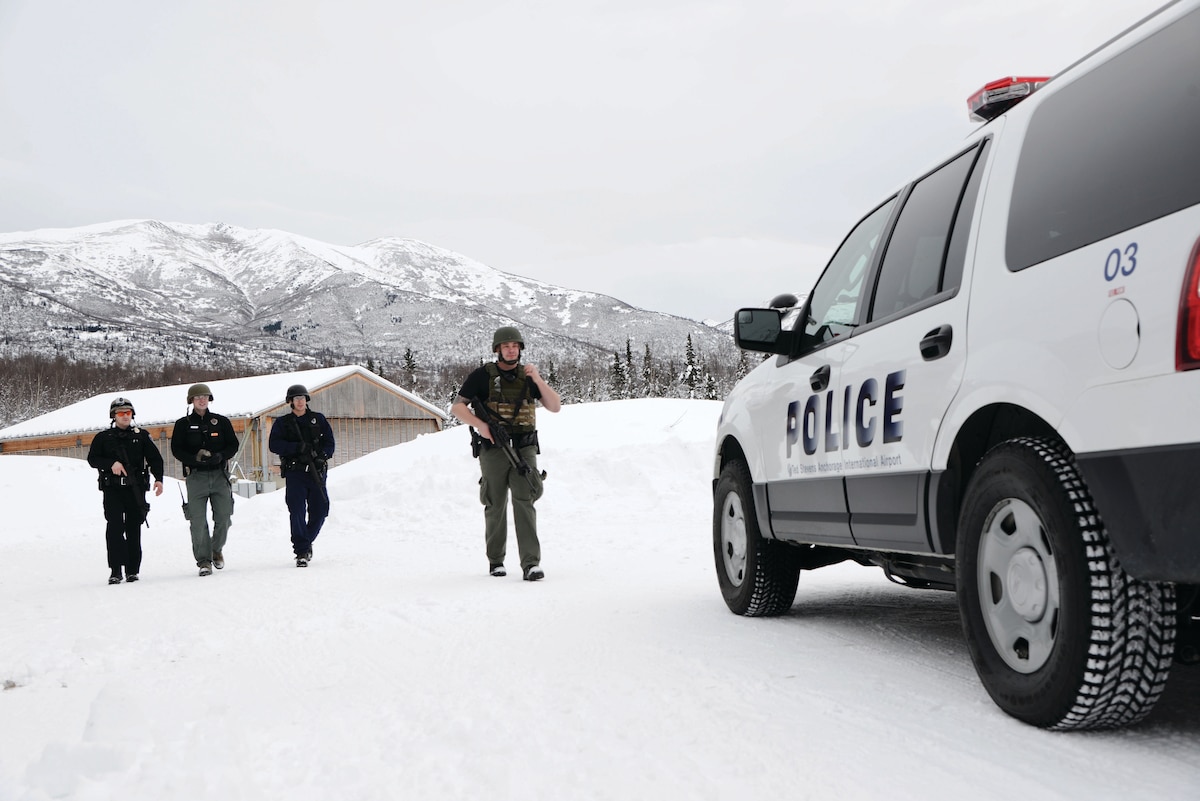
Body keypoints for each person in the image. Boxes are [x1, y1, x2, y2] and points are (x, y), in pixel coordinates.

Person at [451, 326, 561, 581]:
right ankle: (496, 561)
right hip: (494, 449)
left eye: (515, 346)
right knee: (495, 502)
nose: (511, 350)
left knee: (525, 501)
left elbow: (554, 406)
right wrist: (482, 425)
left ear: (520, 349)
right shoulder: (482, 376)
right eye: (506, 346)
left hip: (524, 448)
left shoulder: (529, 376)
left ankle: (531, 563)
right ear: (497, 349)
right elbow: (458, 407)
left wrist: (538, 379)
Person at [87, 397, 165, 584]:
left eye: (128, 413)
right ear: (114, 416)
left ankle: (132, 570)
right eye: (121, 413)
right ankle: (115, 571)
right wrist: (110, 463)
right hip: (113, 490)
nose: (125, 416)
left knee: (133, 528)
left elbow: (155, 459)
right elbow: (92, 459)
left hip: (135, 489)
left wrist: (159, 479)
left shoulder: (141, 436)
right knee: (114, 528)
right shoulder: (103, 438)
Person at [171, 382, 240, 577]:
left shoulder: (221, 421)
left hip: (220, 475)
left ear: (209, 399)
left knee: (224, 516)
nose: (202, 400)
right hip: (196, 477)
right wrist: (193, 459)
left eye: (205, 396)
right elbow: (176, 449)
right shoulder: (182, 424)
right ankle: (203, 561)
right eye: (198, 397)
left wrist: (221, 455)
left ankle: (216, 549)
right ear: (191, 400)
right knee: (197, 520)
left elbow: (232, 445)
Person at [268, 383, 336, 567]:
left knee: (321, 509)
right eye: (297, 399)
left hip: (317, 471)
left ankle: (305, 542)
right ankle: (301, 551)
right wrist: (296, 448)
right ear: (290, 401)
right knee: (296, 511)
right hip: (295, 472)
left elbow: (330, 442)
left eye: (303, 398)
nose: (300, 402)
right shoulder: (283, 423)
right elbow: (274, 445)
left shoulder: (318, 419)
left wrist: (323, 456)